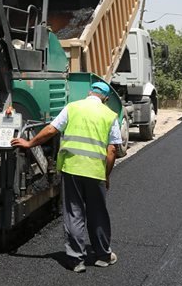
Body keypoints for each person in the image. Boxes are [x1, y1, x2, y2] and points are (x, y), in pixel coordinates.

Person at [11, 82, 122, 273]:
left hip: (72, 169)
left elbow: (51, 130)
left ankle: (75, 259)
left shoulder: (72, 108)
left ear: (89, 93)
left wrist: (29, 143)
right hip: (95, 172)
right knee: (98, 214)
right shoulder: (110, 115)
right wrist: (106, 176)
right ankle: (103, 256)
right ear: (105, 98)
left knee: (74, 213)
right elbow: (112, 150)